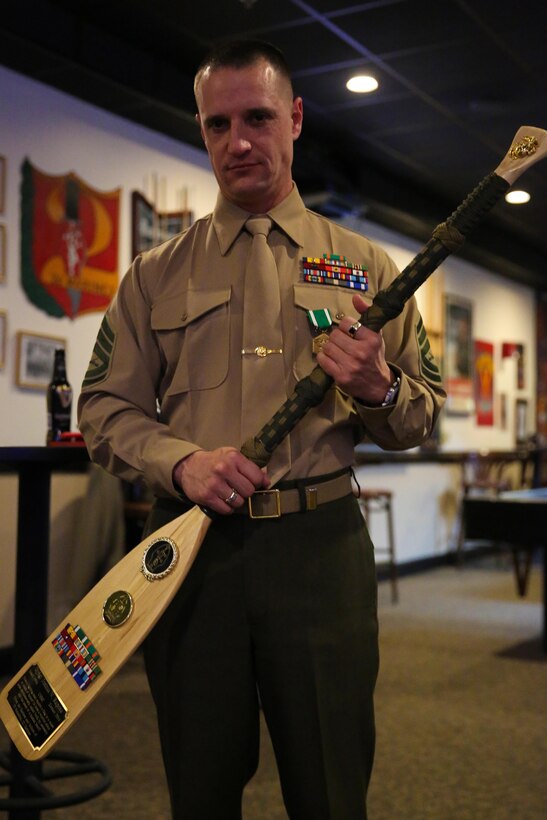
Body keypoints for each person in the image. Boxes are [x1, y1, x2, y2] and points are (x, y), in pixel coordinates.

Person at [78, 39, 445, 820]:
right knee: (199, 785)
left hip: (320, 553)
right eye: (217, 125)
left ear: (296, 119)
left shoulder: (366, 268)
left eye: (257, 117)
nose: (237, 141)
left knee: (329, 783)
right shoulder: (153, 275)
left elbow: (422, 415)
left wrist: (375, 385)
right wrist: (180, 465)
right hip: (194, 556)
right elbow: (104, 411)